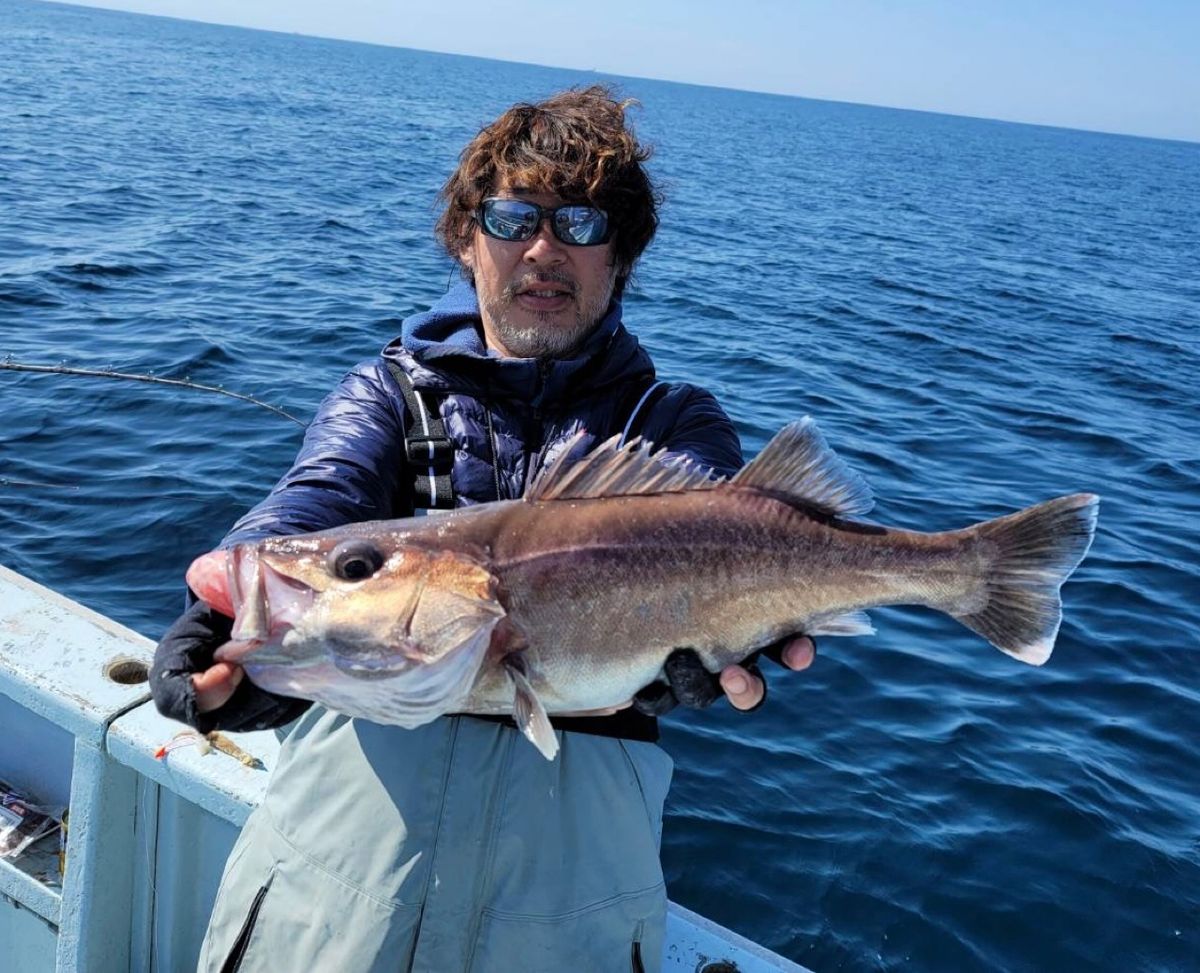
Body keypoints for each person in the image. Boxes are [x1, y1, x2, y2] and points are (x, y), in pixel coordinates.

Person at [150, 86, 814, 973]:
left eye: (581, 224)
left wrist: (698, 656)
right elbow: (316, 498)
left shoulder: (675, 422)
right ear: (468, 240)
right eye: (512, 217)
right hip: (332, 905)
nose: (544, 249)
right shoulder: (387, 396)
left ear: (621, 255)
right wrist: (239, 643)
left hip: (570, 921)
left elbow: (751, 551)